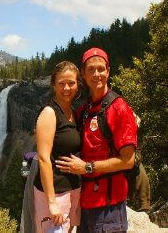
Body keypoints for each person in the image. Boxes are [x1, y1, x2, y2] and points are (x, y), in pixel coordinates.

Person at [56, 47, 138, 233]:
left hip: (109, 209)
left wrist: (86, 168)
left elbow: (128, 160)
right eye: (91, 70)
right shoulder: (84, 110)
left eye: (101, 69)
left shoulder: (119, 109)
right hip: (85, 205)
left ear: (108, 71)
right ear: (83, 74)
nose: (96, 74)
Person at [33, 61, 82, 233]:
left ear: (78, 85)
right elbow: (44, 158)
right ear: (54, 84)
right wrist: (51, 202)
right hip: (55, 192)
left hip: (73, 188)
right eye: (61, 83)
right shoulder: (49, 113)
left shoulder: (74, 114)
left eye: (71, 83)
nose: (66, 88)